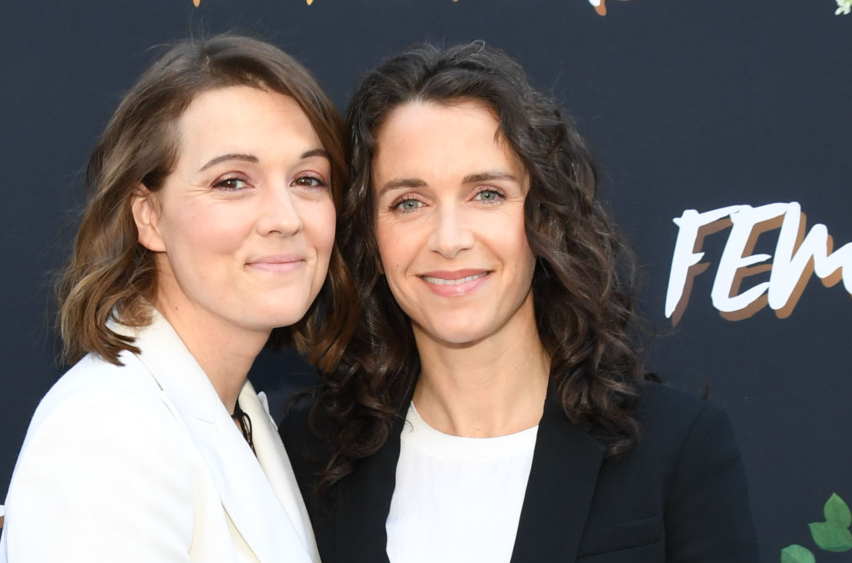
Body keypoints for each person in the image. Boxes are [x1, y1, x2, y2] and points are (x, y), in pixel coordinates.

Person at [281, 41, 759, 562]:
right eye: (408, 202)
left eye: (486, 193)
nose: (449, 238)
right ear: (369, 234)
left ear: (543, 214)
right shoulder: (313, 454)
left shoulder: (676, 447)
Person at [0, 34, 352, 562]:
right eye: (233, 182)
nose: (285, 218)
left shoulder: (237, 411)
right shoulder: (108, 431)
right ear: (148, 216)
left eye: (308, 179)